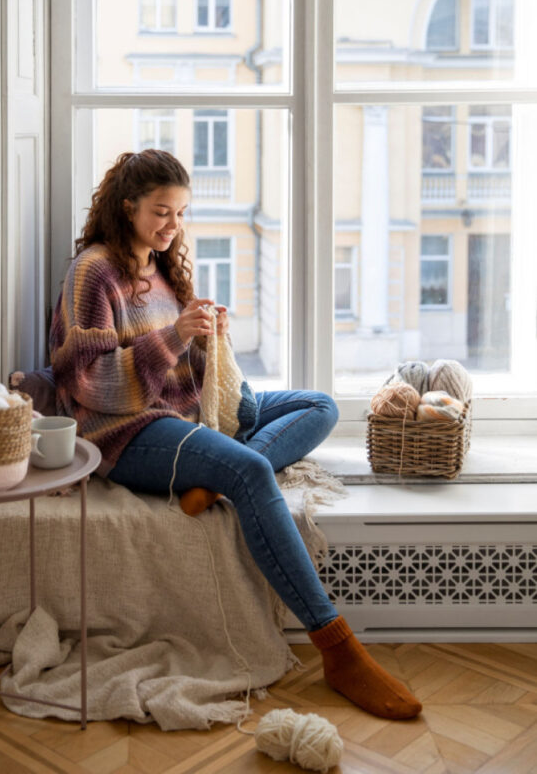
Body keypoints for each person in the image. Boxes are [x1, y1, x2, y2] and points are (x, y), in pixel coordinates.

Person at [49, 149, 422, 721]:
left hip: (190, 410)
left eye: (180, 212)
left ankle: (219, 477)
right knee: (252, 471)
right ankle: (338, 648)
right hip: (126, 430)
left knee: (319, 405)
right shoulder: (94, 272)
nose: (173, 225)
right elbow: (90, 382)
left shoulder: (162, 264)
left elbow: (184, 363)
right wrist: (175, 336)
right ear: (127, 208)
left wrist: (204, 337)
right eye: (161, 212)